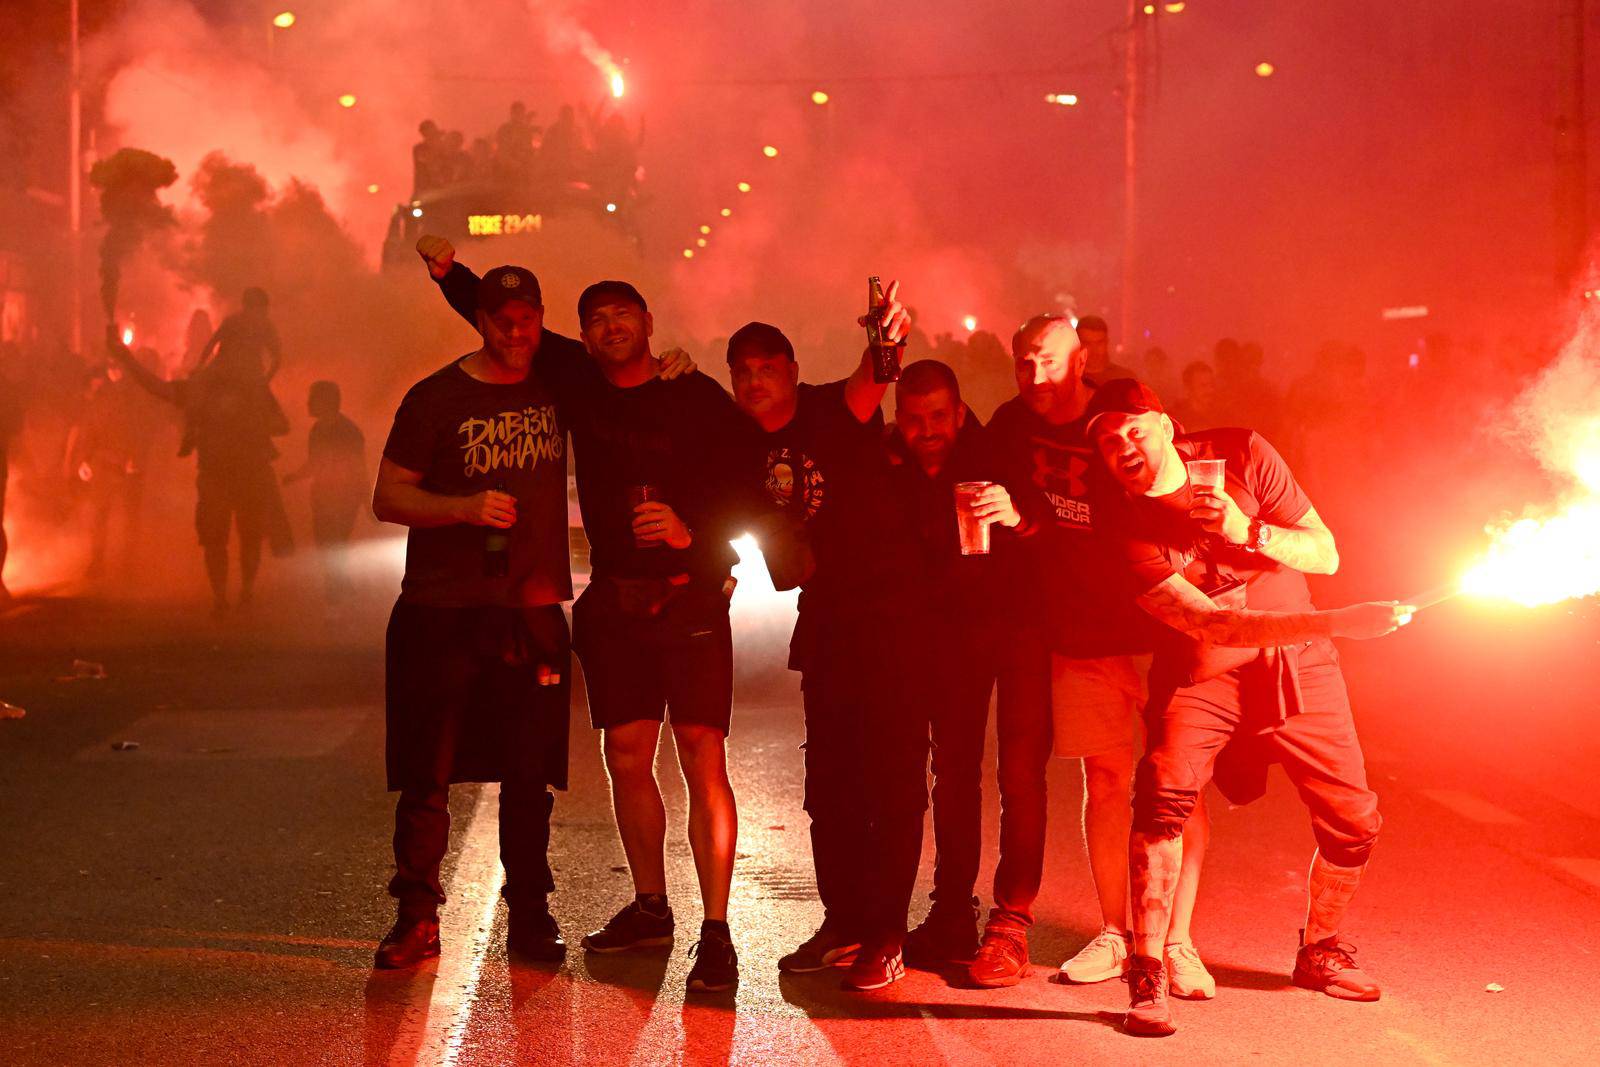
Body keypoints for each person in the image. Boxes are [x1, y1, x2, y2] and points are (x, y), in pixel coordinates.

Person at [419, 236, 751, 995]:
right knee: (627, 756)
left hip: (691, 593)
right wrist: (447, 273)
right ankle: (651, 905)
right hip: (616, 600)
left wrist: (692, 531)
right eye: (595, 318)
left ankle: (718, 933)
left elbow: (747, 481)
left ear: (647, 321)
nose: (609, 327)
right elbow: (506, 321)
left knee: (702, 755)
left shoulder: (692, 392)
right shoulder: (577, 380)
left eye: (622, 314)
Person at [1083, 379, 1411, 1037]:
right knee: (1162, 788)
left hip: (1301, 665)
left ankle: (1319, 949)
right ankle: (1146, 975)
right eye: (1109, 442)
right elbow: (1214, 627)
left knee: (1354, 817)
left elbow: (1325, 549)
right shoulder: (1121, 522)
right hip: (1208, 670)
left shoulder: (1242, 452)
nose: (1125, 446)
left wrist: (1246, 528)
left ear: (1165, 424)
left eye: (1134, 428)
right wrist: (1337, 621)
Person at [721, 308, 951, 994]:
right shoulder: (739, 443)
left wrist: (886, 340)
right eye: (745, 371)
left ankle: (886, 933)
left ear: (791, 372)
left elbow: (871, 377)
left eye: (769, 367)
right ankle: (843, 920)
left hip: (894, 618)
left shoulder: (826, 410)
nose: (758, 380)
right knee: (829, 784)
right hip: (826, 623)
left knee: (895, 782)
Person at [985, 316, 1212, 994]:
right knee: (1106, 785)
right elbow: (1002, 496)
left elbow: (1180, 483)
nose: (1035, 376)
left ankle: (1178, 940)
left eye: (1049, 361)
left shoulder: (1122, 416)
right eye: (1025, 361)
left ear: (1079, 360)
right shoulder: (1008, 424)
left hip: (1157, 635)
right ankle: (1116, 931)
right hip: (1078, 637)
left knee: (1177, 788)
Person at [371, 265, 573, 970]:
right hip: (442, 610)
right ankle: (416, 918)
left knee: (529, 775)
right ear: (480, 322)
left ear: (541, 319)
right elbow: (387, 496)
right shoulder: (436, 397)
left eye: (527, 319)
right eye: (500, 320)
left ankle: (532, 915)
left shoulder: (558, 383)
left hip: (533, 609)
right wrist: (460, 507)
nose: (515, 333)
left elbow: (632, 395)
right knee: (427, 775)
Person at [884, 360, 1028, 971]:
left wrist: (1016, 515)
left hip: (986, 635)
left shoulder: (992, 456)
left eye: (938, 416)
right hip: (914, 640)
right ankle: (906, 915)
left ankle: (958, 911)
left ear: (960, 413)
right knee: (905, 775)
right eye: (915, 419)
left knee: (967, 774)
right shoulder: (884, 464)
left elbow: (1037, 537)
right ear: (899, 420)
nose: (927, 430)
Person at [108, 324, 289, 618]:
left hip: (244, 474)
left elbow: (281, 424)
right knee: (216, 538)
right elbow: (160, 388)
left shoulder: (253, 390)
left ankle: (242, 591)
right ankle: (223, 595)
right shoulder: (203, 390)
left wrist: (252, 425)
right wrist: (126, 360)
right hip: (217, 474)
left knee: (247, 537)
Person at [284, 380, 367, 605]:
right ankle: (341, 586)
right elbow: (314, 463)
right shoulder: (318, 430)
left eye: (313, 398)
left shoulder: (349, 432)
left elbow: (359, 468)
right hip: (322, 497)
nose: (308, 403)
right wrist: (293, 477)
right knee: (326, 543)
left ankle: (335, 597)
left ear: (326, 401)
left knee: (333, 543)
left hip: (344, 498)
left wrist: (367, 502)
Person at [1074, 314, 1139, 386]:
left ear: (1106, 342)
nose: (1094, 349)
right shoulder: (1069, 381)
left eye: (1099, 343)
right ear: (1078, 344)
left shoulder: (1125, 378)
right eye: (1087, 343)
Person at [1166, 360, 1219, 434]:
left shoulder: (1220, 414)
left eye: (1211, 385)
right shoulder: (1175, 418)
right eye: (1203, 386)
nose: (1210, 390)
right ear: (1188, 388)